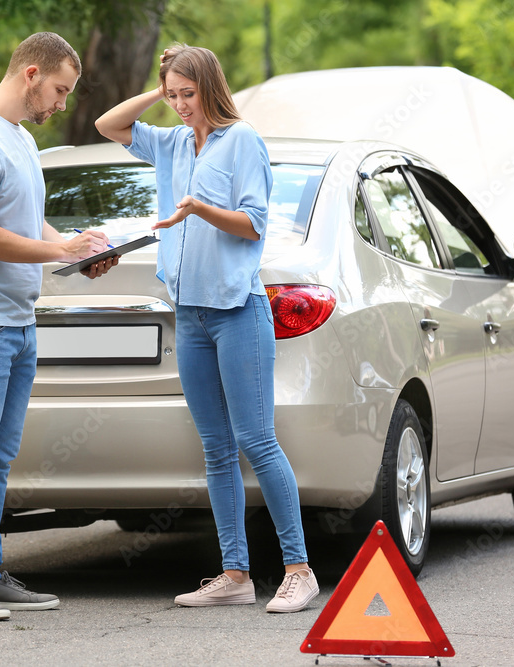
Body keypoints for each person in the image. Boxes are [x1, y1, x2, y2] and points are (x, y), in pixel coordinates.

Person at [94, 44, 319, 613]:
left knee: (257, 441)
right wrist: (160, 81)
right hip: (189, 315)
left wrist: (198, 208)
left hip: (238, 310)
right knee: (216, 450)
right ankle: (235, 574)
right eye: (172, 96)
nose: (178, 106)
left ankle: (299, 569)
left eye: (187, 95)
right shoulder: (170, 142)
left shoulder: (242, 141)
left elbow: (253, 225)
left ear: (211, 89)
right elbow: (108, 124)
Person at [0, 31, 116, 622]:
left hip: (15, 321)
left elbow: (29, 225)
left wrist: (76, 249)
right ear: (31, 74)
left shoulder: (18, 140)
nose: (62, 103)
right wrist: (59, 254)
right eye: (59, 90)